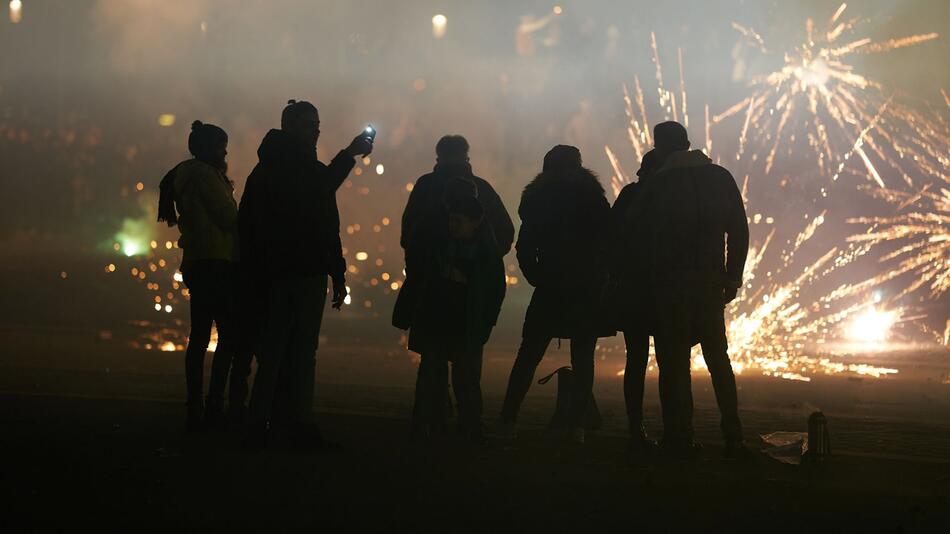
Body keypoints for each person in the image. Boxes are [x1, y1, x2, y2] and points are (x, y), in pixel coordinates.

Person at [241, 100, 373, 450]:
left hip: (278, 273)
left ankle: (262, 421)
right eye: (307, 125)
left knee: (275, 353)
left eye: (316, 124)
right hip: (296, 273)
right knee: (298, 354)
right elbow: (325, 210)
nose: (315, 131)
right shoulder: (296, 169)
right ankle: (296, 422)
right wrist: (351, 153)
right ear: (290, 128)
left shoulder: (266, 169)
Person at [634, 121, 750, 457]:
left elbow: (634, 231)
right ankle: (734, 434)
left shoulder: (660, 184)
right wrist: (732, 277)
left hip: (671, 284)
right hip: (711, 283)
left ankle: (680, 436)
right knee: (718, 359)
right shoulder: (721, 178)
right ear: (688, 143)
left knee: (674, 363)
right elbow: (739, 231)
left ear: (660, 149)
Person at [497, 145, 612, 444]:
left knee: (528, 355)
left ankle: (508, 420)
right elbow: (609, 244)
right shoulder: (593, 199)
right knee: (583, 358)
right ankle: (577, 428)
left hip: (550, 288)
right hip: (585, 289)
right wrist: (599, 278)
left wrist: (537, 277)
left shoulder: (538, 200)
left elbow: (525, 245)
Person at [400, 135, 513, 431]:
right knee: (466, 373)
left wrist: (421, 274)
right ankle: (469, 429)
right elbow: (505, 234)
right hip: (468, 303)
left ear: (438, 155)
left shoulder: (426, 188)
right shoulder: (483, 191)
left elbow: (408, 238)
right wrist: (480, 265)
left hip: (432, 299)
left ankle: (427, 427)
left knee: (432, 369)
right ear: (466, 155)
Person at [395, 195, 506, 443]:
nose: (452, 225)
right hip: (443, 322)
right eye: (451, 220)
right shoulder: (476, 251)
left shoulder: (479, 254)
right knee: (438, 378)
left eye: (458, 220)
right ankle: (446, 426)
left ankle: (454, 426)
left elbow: (493, 294)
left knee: (460, 381)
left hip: (460, 324)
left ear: (475, 222)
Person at [157, 120, 239, 432]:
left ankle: (195, 404)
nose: (226, 151)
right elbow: (228, 217)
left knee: (200, 336)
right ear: (209, 149)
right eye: (221, 146)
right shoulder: (206, 176)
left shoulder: (186, 174)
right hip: (216, 262)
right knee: (228, 336)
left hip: (196, 262)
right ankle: (215, 404)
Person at [609, 149, 662, 453]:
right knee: (669, 360)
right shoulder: (667, 196)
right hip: (661, 287)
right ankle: (675, 430)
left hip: (633, 287)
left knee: (636, 358)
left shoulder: (631, 194)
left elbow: (613, 234)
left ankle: (634, 426)